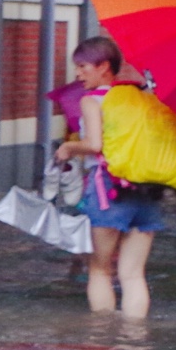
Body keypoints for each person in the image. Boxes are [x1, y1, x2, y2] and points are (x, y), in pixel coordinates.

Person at [54, 34, 160, 317]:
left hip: (108, 191)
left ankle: (102, 343)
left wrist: (68, 147)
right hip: (146, 191)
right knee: (134, 274)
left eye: (83, 67)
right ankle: (133, 346)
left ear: (103, 66)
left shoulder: (92, 101)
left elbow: (95, 146)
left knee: (100, 270)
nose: (78, 73)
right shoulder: (141, 98)